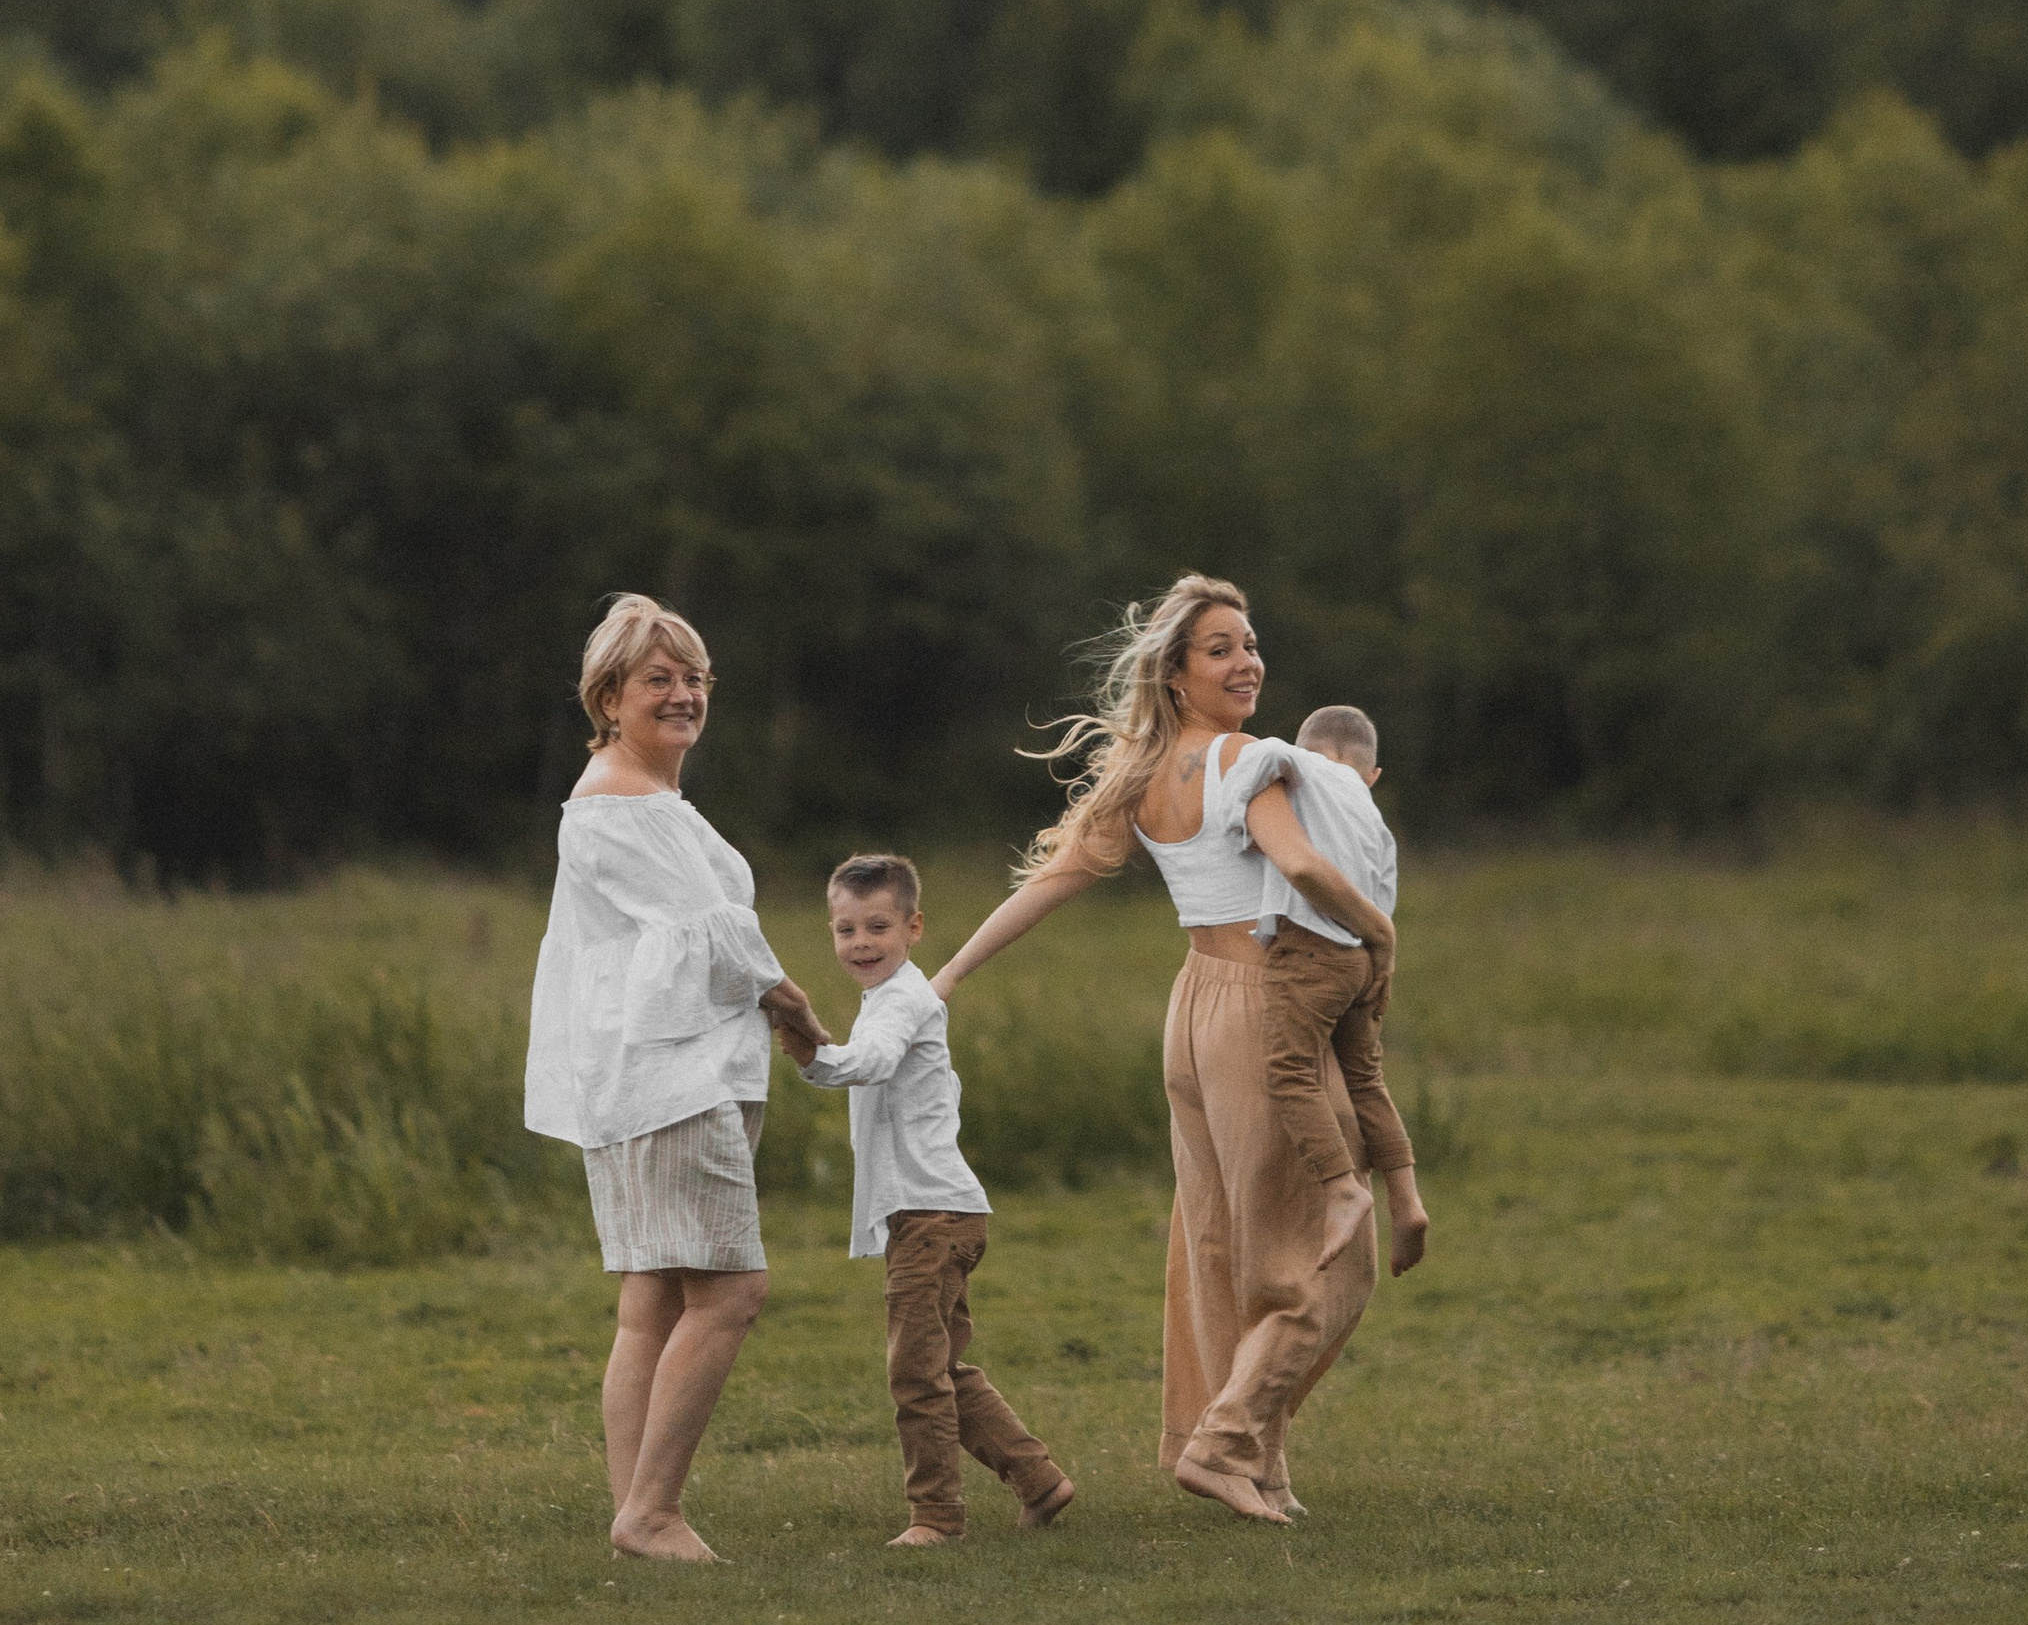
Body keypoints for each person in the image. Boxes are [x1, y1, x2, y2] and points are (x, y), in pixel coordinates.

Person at [932, 574, 1429, 1527]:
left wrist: (951, 973)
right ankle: (1225, 1440)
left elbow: (1056, 879)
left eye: (1250, 644)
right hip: (1260, 1010)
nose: (1247, 662)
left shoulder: (1145, 775)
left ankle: (1261, 1465)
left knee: (1226, 1247)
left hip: (1191, 1014)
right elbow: (1302, 866)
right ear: (1176, 672)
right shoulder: (1248, 758)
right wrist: (1380, 935)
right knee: (1330, 1253)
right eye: (1221, 649)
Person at [524, 594, 828, 1563]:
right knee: (731, 1289)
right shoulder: (620, 805)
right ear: (609, 696)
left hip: (664, 1074)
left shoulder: (641, 801)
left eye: (694, 677)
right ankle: (650, 1510)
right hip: (671, 1079)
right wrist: (795, 1007)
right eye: (659, 678)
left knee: (653, 1298)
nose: (683, 693)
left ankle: (637, 1515)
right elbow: (715, 935)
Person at [778, 852, 1073, 1551]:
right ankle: (1037, 1480)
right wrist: (814, 1050)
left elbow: (870, 1062)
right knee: (938, 1365)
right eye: (846, 930)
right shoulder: (886, 1002)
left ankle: (935, 1518)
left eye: (877, 927)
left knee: (915, 1376)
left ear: (913, 928)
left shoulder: (906, 1000)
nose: (861, 944)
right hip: (936, 1213)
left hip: (932, 1218)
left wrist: (808, 1045)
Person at [1253, 703, 1424, 1279]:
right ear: (1373, 775)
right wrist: (1378, 965)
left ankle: (1342, 1189)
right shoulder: (1377, 823)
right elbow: (1382, 907)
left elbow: (1262, 757)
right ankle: (1407, 1198)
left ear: (1311, 750)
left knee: (1289, 1070)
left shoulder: (1298, 765)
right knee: (1366, 1080)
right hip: (1362, 961)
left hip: (1309, 952)